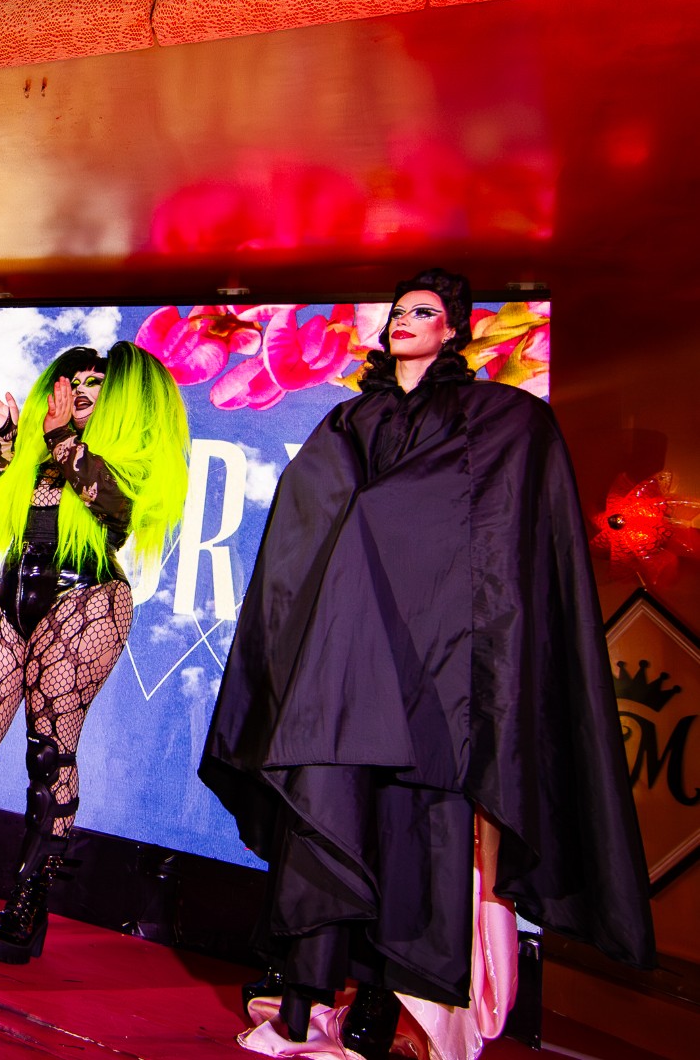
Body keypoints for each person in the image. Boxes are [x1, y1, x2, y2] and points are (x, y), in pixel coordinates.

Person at [200, 270, 655, 1059]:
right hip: (343, 673)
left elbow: (502, 544)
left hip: (431, 681)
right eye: (400, 311)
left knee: (417, 832)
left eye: (426, 312)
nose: (405, 321)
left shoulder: (498, 420)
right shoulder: (348, 421)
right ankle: (309, 998)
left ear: (453, 330)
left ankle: (390, 1007)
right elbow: (306, 529)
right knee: (329, 813)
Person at [0, 342, 189, 963]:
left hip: (86, 598)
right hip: (14, 589)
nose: (84, 391)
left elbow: (114, 509)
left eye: (97, 384)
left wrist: (62, 436)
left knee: (49, 752)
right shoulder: (43, 450)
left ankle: (26, 905)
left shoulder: (128, 454)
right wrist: (9, 435)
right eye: (76, 381)